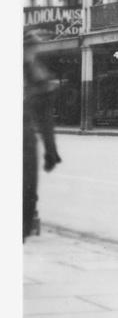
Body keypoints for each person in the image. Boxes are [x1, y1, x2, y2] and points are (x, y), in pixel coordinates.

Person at [23, 33, 62, 240]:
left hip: (25, 140)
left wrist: (51, 150)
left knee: (27, 196)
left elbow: (45, 118)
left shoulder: (38, 75)